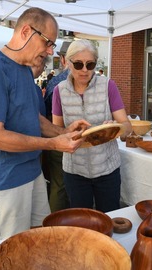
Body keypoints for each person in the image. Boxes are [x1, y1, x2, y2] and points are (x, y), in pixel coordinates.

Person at [0, 7, 89, 243]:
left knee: (38, 242)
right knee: (10, 253)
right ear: (25, 31)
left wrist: (63, 132)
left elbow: (34, 118)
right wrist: (53, 144)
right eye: (48, 42)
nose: (51, 50)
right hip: (4, 183)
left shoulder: (23, 71)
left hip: (31, 174)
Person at [52, 39, 132, 213]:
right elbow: (56, 132)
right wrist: (68, 132)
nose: (84, 70)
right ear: (68, 62)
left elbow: (127, 126)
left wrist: (115, 128)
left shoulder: (108, 86)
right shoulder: (59, 90)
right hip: (75, 171)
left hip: (107, 168)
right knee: (82, 222)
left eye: (90, 64)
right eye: (79, 64)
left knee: (110, 218)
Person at [43, 41, 71, 212]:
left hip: (58, 138)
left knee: (59, 185)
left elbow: (45, 110)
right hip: (76, 139)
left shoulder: (56, 82)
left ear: (62, 59)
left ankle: (57, 224)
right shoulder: (94, 82)